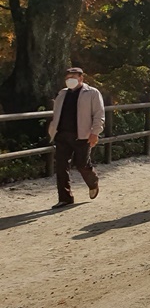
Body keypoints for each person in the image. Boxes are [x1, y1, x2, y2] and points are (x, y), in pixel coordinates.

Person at [48, 67, 105, 209]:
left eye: (73, 77)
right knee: (61, 167)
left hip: (82, 135)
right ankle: (65, 198)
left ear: (81, 78)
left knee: (82, 164)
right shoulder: (62, 94)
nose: (70, 80)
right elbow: (56, 114)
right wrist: (52, 130)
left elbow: (99, 114)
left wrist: (95, 132)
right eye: (68, 77)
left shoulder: (92, 93)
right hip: (62, 135)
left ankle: (93, 182)